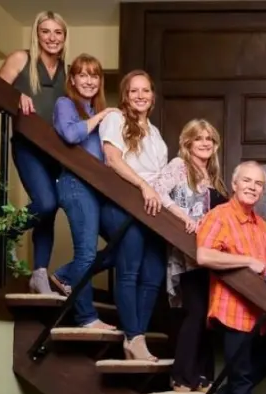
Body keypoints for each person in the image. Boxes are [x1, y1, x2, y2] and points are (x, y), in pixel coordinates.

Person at [195, 161, 266, 394]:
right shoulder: (219, 216)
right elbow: (204, 255)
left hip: (259, 316)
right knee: (242, 376)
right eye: (247, 181)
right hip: (231, 310)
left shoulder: (262, 225)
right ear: (234, 184)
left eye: (258, 184)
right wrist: (245, 260)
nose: (252, 187)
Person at [152, 119, 227, 391]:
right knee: (195, 313)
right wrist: (183, 217)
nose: (205, 143)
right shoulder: (179, 166)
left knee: (207, 317)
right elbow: (157, 192)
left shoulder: (213, 176)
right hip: (188, 253)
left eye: (210, 139)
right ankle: (180, 376)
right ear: (187, 142)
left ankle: (202, 377)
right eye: (199, 138)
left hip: (210, 257)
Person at [0, 11, 68, 294]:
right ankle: (4, 236)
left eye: (58, 32)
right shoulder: (21, 59)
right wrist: (16, 96)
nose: (52, 38)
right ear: (36, 34)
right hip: (27, 146)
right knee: (46, 203)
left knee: (49, 212)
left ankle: (40, 272)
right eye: (45, 31)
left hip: (57, 153)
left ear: (64, 37)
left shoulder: (67, 70)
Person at [99, 70, 168, 362]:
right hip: (124, 203)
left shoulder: (154, 132)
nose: (140, 96)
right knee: (129, 269)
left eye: (145, 90)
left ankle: (135, 337)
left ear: (152, 96)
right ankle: (134, 337)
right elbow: (112, 159)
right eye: (133, 91)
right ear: (125, 96)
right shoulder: (115, 119)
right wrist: (143, 186)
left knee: (154, 274)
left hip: (151, 212)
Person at [50, 54, 117, 331]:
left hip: (99, 190)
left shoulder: (95, 111)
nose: (89, 81)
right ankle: (86, 317)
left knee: (124, 244)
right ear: (73, 79)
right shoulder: (65, 104)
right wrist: (103, 115)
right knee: (87, 253)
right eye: (83, 75)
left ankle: (65, 274)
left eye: (94, 75)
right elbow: (70, 135)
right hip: (76, 185)